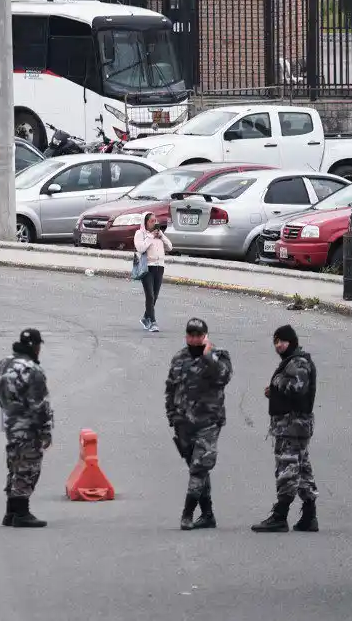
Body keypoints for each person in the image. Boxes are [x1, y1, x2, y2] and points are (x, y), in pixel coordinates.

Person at [165, 318, 233, 530]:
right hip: (184, 423)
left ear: (205, 336)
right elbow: (171, 387)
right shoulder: (179, 358)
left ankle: (187, 514)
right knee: (198, 468)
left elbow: (224, 377)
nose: (194, 339)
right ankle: (207, 514)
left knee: (199, 467)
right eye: (191, 335)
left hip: (208, 422)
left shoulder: (219, 356)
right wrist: (171, 415)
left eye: (198, 335)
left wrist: (208, 356)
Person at [251, 324, 319, 533]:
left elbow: (297, 388)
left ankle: (280, 516)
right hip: (296, 425)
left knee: (287, 468)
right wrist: (274, 391)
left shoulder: (298, 362)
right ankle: (309, 516)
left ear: (292, 341)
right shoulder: (293, 361)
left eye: (282, 341)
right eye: (276, 342)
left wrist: (277, 382)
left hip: (292, 426)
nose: (278, 345)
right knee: (302, 468)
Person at [0, 328, 53, 528]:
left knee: (14, 464)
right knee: (28, 467)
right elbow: (40, 405)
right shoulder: (32, 370)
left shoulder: (4, 363)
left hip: (10, 422)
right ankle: (22, 513)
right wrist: (45, 431)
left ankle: (11, 511)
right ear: (35, 346)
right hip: (28, 426)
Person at [134, 212, 173, 332]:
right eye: (151, 221)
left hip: (159, 266)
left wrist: (161, 236)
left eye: (155, 220)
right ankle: (153, 321)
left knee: (155, 296)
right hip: (147, 267)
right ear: (145, 222)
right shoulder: (140, 233)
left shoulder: (159, 234)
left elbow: (170, 247)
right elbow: (140, 248)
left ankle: (146, 318)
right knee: (150, 296)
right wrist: (150, 237)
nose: (154, 223)